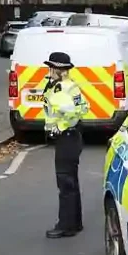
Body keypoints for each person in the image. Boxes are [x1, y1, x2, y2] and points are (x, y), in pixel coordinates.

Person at [42, 51, 89, 238]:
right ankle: (75, 223)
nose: (49, 70)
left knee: (65, 184)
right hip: (73, 136)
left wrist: (59, 127)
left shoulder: (61, 89)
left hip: (67, 137)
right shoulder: (70, 86)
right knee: (71, 182)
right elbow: (84, 107)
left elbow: (70, 112)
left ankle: (65, 225)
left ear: (59, 70)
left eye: (51, 67)